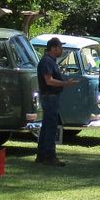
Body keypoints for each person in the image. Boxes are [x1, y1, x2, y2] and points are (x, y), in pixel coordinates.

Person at [36, 37, 73, 166]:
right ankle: (50, 156)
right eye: (60, 48)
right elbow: (49, 80)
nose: (61, 50)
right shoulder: (47, 61)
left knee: (46, 127)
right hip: (49, 96)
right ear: (53, 48)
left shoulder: (51, 61)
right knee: (51, 127)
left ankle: (41, 155)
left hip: (50, 97)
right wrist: (65, 83)